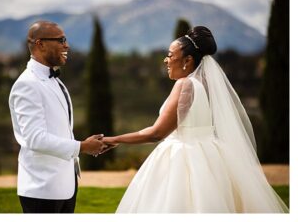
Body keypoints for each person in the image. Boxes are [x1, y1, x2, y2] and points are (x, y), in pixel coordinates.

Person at [101, 26, 287, 213]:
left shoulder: (185, 84)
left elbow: (157, 133)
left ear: (187, 60)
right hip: (210, 156)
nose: (166, 60)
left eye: (170, 55)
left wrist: (114, 139)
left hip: (182, 158)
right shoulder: (205, 85)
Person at [8, 21, 105, 213]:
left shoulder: (54, 81)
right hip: (41, 189)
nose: (66, 45)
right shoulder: (27, 84)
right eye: (61, 40)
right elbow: (34, 138)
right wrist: (82, 147)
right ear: (40, 44)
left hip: (65, 185)